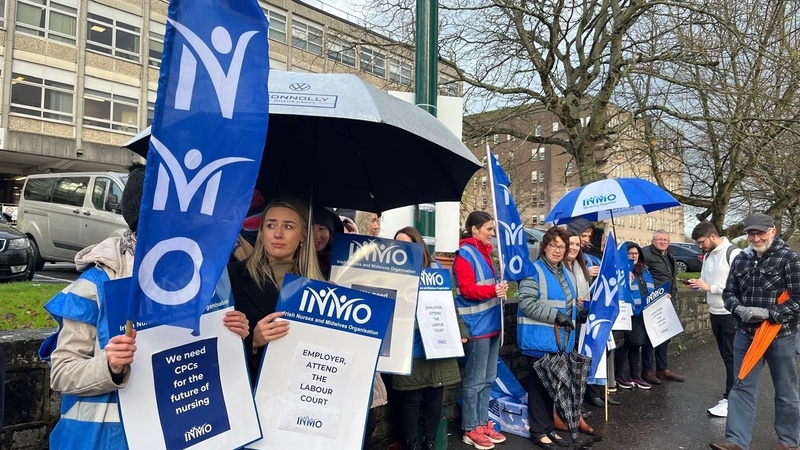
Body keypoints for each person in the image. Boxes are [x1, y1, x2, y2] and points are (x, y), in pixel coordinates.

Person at [39, 164, 250, 450]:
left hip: (178, 433)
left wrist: (233, 333)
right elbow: (62, 372)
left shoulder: (201, 280)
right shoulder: (97, 282)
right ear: (140, 222)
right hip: (103, 441)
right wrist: (110, 366)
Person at [710, 213, 800, 450]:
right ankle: (736, 442)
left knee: (785, 390)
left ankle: (789, 442)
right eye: (751, 233)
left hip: (780, 336)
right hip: (746, 335)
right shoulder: (741, 259)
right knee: (740, 388)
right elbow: (729, 293)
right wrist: (738, 308)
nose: (755, 237)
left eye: (759, 232)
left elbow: (798, 300)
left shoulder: (789, 259)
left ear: (773, 231)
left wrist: (769, 313)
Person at [228, 196, 325, 384]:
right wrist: (253, 342)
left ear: (303, 235)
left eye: (288, 226)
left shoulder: (318, 286)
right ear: (262, 230)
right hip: (252, 391)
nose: (277, 234)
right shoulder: (233, 277)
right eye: (271, 225)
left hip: (301, 392)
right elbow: (214, 347)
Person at [392, 227, 466, 450]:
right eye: (398, 245)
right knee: (411, 398)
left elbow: (450, 306)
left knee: (436, 395)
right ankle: (411, 444)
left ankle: (430, 442)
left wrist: (461, 331)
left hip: (436, 345)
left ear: (419, 246)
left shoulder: (435, 270)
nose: (403, 249)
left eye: (408, 244)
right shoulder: (392, 273)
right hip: (409, 345)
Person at [518, 227, 577, 450]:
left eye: (561, 246)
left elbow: (566, 302)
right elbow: (526, 303)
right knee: (538, 387)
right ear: (545, 246)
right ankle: (538, 432)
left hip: (559, 342)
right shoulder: (533, 270)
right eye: (553, 245)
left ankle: (548, 428)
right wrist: (556, 316)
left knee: (551, 388)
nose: (557, 250)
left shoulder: (565, 272)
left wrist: (575, 313)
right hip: (539, 340)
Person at [454, 211, 508, 450]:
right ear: (474, 230)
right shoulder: (465, 254)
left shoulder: (484, 254)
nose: (492, 234)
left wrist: (498, 290)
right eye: (489, 229)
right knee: (475, 381)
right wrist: (493, 291)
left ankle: (481, 421)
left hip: (491, 324)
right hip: (477, 327)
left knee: (487, 379)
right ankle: (470, 427)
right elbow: (466, 289)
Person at [689, 222, 741, 417]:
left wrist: (711, 288)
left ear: (712, 236)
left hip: (730, 313)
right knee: (726, 356)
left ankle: (731, 399)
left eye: (701, 242)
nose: (700, 246)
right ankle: (732, 397)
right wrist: (698, 284)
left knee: (732, 357)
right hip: (715, 311)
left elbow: (739, 287)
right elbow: (705, 278)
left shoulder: (734, 253)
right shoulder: (709, 254)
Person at [641, 230, 685, 384]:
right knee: (650, 337)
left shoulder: (669, 254)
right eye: (659, 239)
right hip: (653, 301)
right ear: (653, 241)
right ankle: (647, 371)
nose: (662, 241)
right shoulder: (645, 254)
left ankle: (662, 369)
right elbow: (640, 277)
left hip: (667, 300)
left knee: (664, 335)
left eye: (665, 239)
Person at [614, 242, 655, 390]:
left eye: (635, 253)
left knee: (636, 344)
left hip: (643, 313)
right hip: (628, 312)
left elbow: (649, 289)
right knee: (624, 345)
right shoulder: (621, 270)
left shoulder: (644, 271)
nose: (633, 256)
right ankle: (621, 375)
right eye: (629, 254)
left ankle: (634, 375)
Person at [312, 206, 343, 279]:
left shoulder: (341, 261)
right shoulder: (293, 260)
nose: (316, 236)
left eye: (322, 229)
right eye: (310, 228)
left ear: (330, 233)